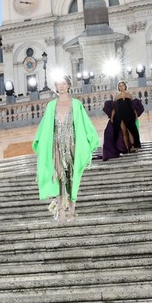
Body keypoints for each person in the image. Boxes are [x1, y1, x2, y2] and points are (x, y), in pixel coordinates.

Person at [32, 75, 99, 221]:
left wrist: (90, 141)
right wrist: (42, 144)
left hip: (72, 144)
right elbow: (45, 127)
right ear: (55, 87)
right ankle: (61, 211)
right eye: (58, 84)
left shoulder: (76, 104)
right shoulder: (51, 106)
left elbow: (84, 124)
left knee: (72, 177)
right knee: (59, 176)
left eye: (64, 83)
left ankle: (72, 210)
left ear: (69, 85)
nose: (61, 86)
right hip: (56, 146)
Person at [102, 81, 144, 159]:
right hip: (120, 115)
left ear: (125, 86)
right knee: (124, 131)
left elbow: (132, 106)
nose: (121, 87)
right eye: (120, 86)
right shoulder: (117, 97)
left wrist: (135, 114)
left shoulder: (129, 95)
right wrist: (112, 117)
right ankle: (127, 148)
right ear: (118, 88)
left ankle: (133, 147)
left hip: (129, 114)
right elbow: (115, 108)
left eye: (123, 85)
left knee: (130, 130)